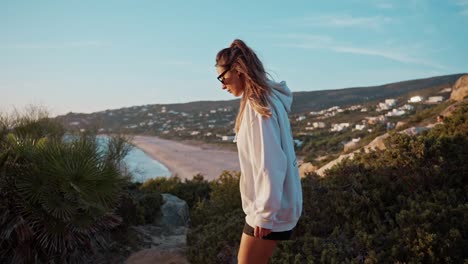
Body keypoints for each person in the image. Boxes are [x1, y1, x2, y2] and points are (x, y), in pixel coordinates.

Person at [215, 39, 303, 264]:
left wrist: (264, 214)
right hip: (275, 206)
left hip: (269, 211)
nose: (222, 85)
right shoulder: (268, 98)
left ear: (237, 71)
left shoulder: (258, 107)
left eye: (222, 78)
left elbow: (270, 163)